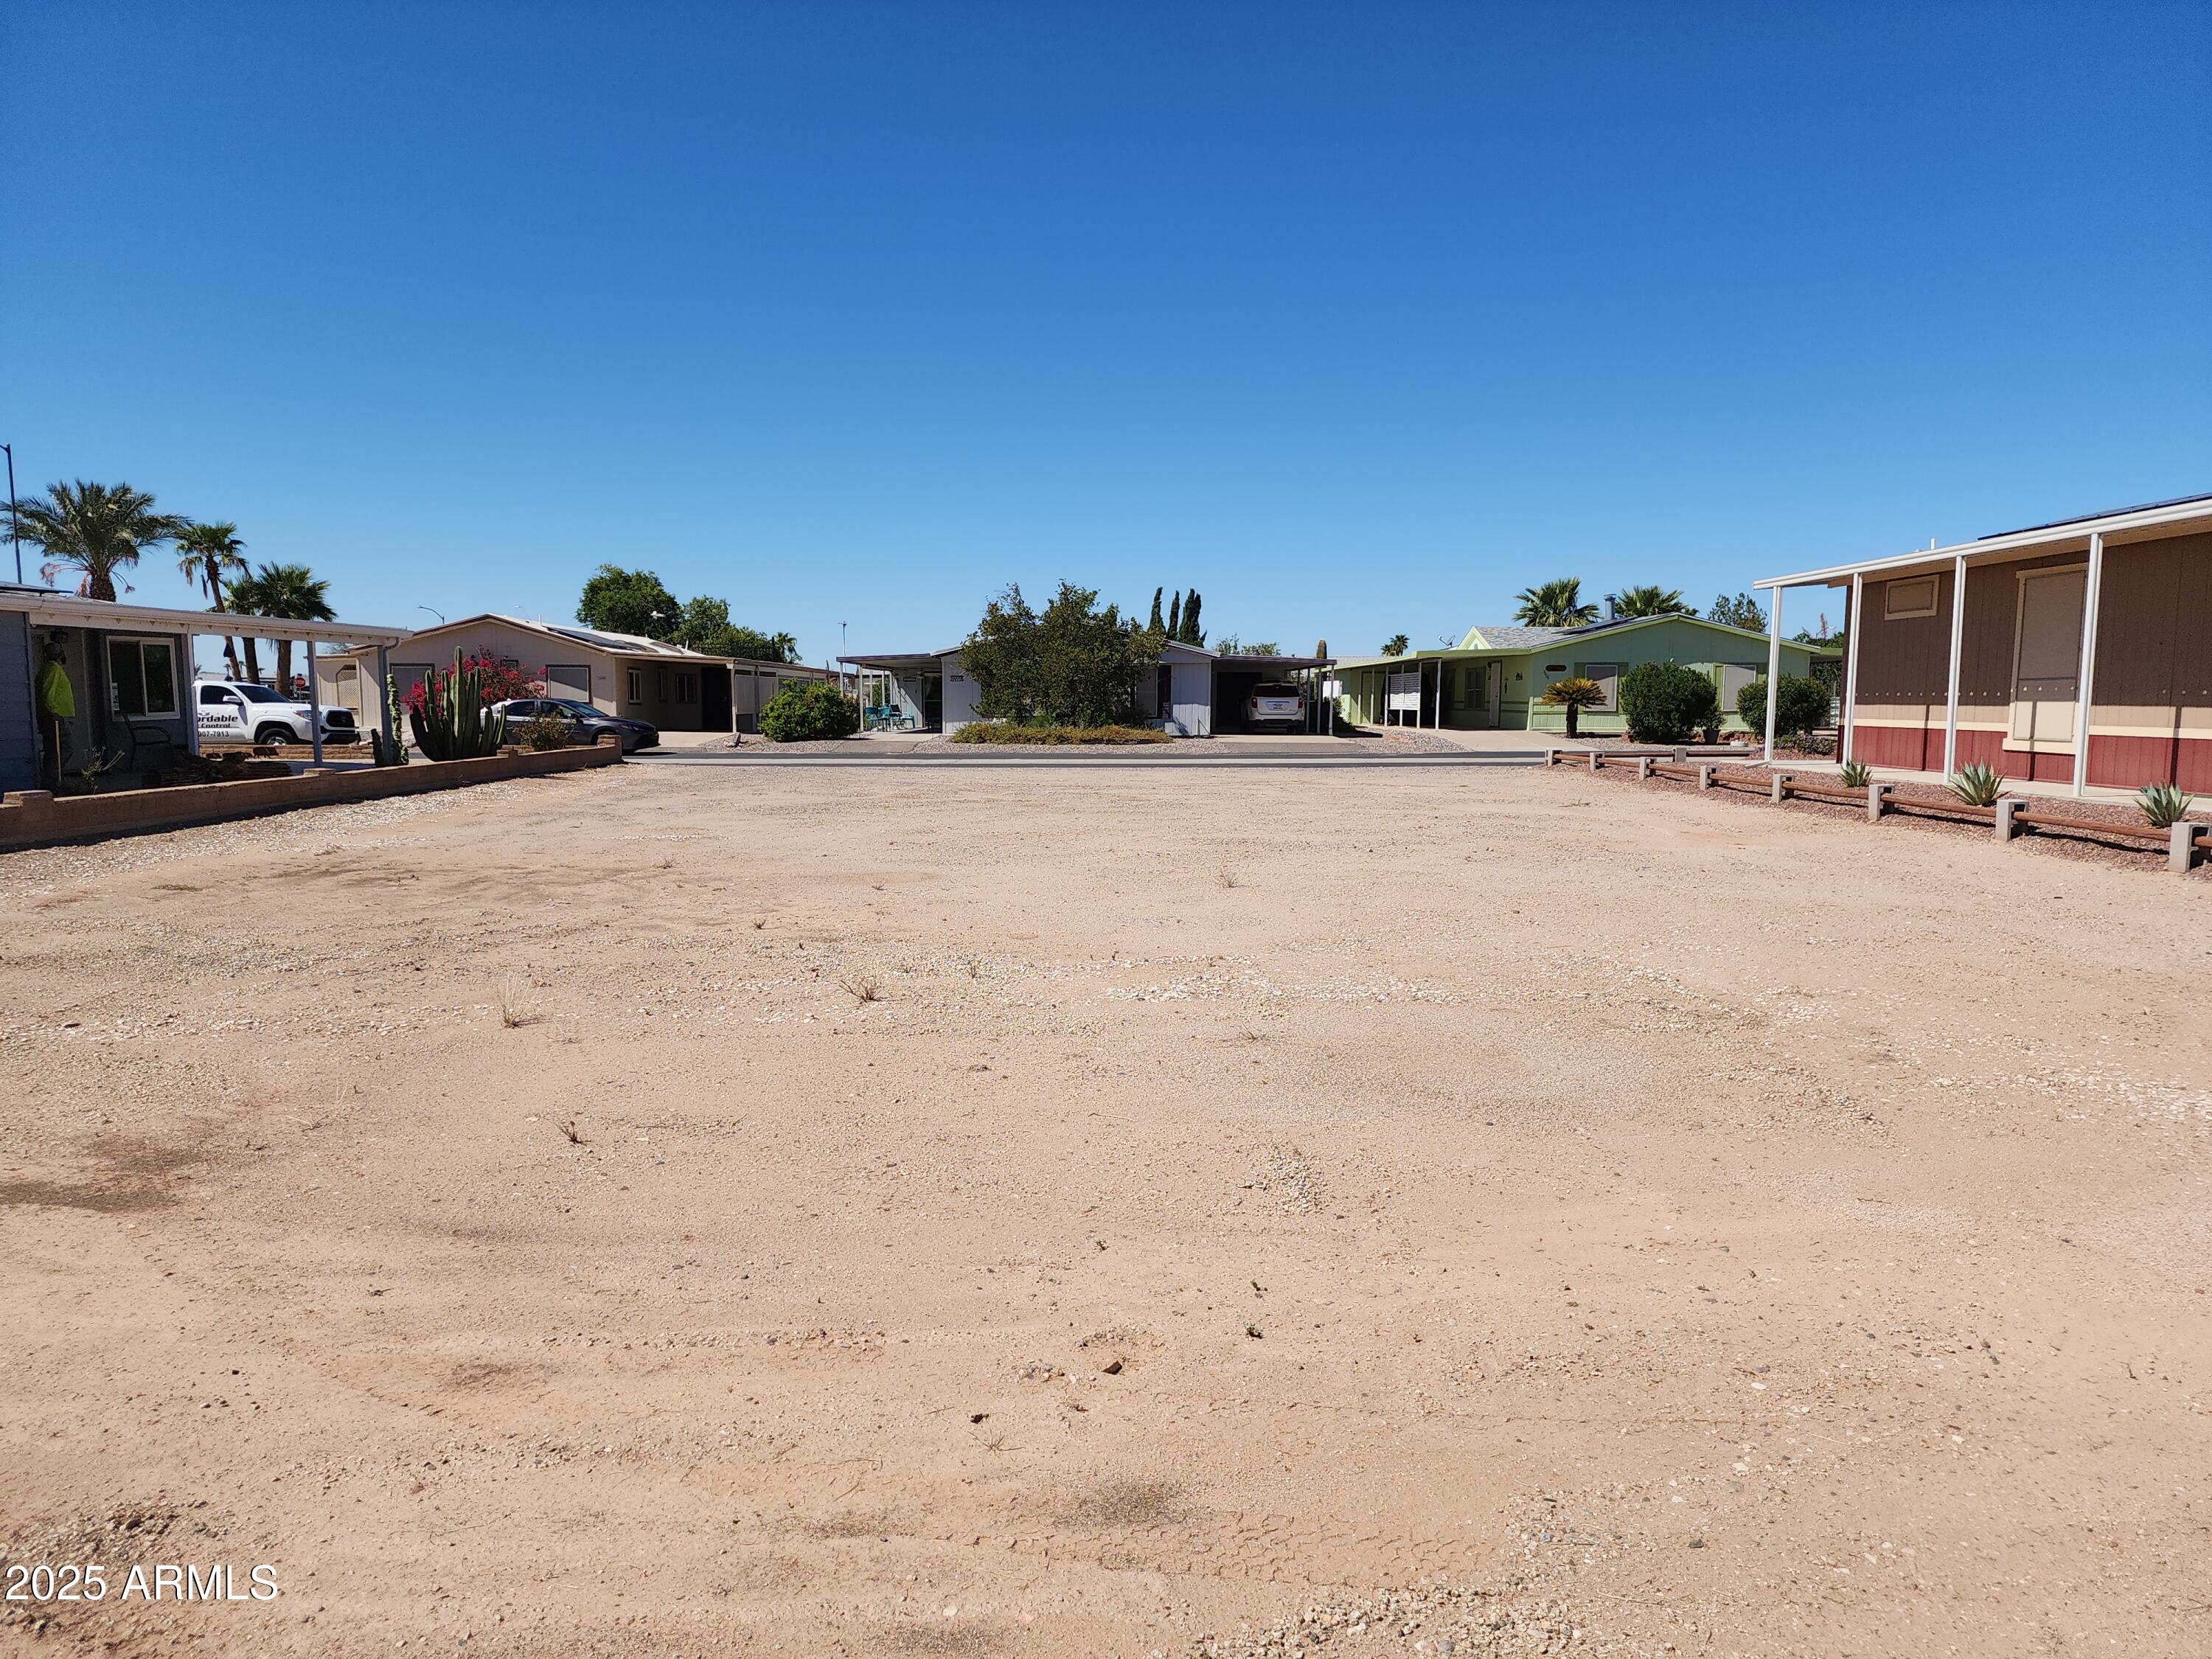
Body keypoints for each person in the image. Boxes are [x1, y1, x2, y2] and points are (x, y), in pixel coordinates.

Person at [35, 635, 74, 790]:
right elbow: (48, 693)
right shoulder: (52, 669)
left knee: (54, 751)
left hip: (55, 717)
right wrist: (53, 712)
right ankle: (53, 783)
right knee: (63, 750)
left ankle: (53, 781)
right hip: (56, 718)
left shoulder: (47, 669)